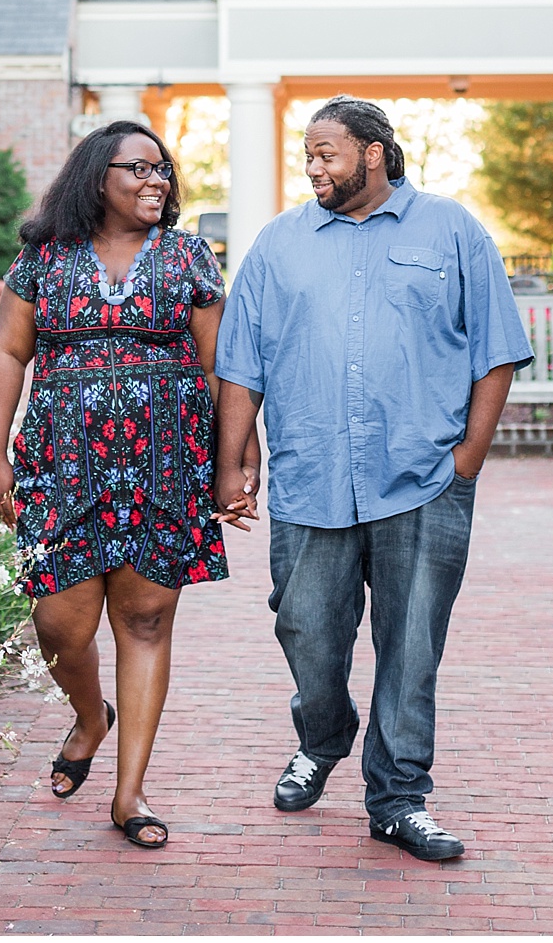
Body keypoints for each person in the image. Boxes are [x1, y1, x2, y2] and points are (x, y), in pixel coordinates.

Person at [213, 95, 532, 862]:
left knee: (411, 645)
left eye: (327, 152)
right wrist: (233, 462)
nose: (313, 166)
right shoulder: (279, 244)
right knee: (307, 629)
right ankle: (323, 735)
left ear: (374, 153)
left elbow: (496, 350)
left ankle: (397, 798)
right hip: (310, 476)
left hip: (423, 478)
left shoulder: (452, 230)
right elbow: (240, 365)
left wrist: (467, 461)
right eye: (308, 153)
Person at [0, 118, 258, 847]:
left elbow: (218, 364)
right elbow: (11, 351)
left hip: (164, 469)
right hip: (62, 466)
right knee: (59, 626)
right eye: (138, 168)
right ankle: (87, 714)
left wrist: (233, 460)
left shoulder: (187, 256)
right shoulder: (44, 257)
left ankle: (129, 793)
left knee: (144, 621)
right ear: (96, 176)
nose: (155, 180)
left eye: (162, 169)